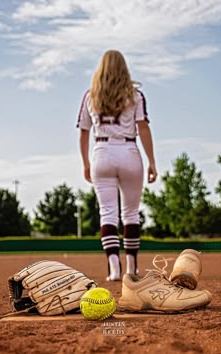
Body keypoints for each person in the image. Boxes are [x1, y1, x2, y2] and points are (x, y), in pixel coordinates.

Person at [77, 49, 157, 281]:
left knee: (108, 213)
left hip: (101, 152)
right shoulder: (136, 95)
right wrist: (152, 161)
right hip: (129, 150)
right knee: (131, 213)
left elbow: (83, 132)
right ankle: (131, 268)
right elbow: (143, 128)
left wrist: (85, 163)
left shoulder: (90, 96)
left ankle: (114, 269)